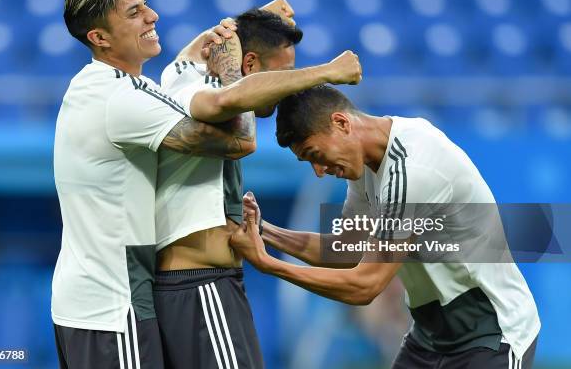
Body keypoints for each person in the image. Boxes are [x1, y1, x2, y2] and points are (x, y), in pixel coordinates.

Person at [53, 0, 361, 368]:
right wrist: (326, 71)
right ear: (99, 37)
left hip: (133, 294)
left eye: (146, 4)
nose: (152, 16)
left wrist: (244, 26)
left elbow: (188, 57)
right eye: (134, 12)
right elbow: (240, 141)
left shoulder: (144, 85)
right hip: (123, 299)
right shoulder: (123, 96)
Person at [230, 85, 540, 368]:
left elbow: (365, 285)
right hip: (431, 335)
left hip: (490, 334)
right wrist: (263, 231)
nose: (319, 171)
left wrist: (268, 264)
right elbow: (344, 250)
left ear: (341, 123)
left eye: (315, 155)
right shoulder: (366, 164)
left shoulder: (414, 167)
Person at [152, 4, 362, 368]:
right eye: (283, 75)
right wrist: (328, 72)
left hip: (206, 286)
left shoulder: (186, 73)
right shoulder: (197, 88)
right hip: (199, 287)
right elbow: (241, 125)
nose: (288, 88)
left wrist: (248, 19)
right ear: (248, 64)